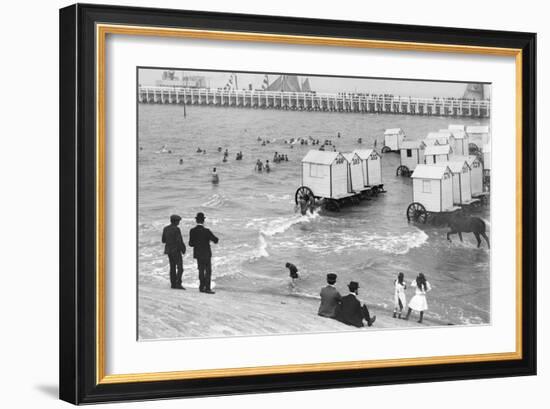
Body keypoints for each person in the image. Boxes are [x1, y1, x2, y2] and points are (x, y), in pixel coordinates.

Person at [188, 212, 219, 294]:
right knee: (208, 271)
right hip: (206, 253)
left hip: (198, 253)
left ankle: (202, 287)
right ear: (203, 220)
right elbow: (215, 240)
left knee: (201, 270)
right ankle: (208, 288)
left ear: (196, 220)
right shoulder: (207, 231)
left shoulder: (192, 231)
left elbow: (190, 244)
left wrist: (197, 243)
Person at [161, 215, 186, 290]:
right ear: (175, 221)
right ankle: (178, 283)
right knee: (180, 268)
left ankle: (173, 284)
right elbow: (179, 240)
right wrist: (183, 249)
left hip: (169, 250)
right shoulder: (176, 229)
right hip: (176, 250)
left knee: (172, 267)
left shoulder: (165, 228)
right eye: (178, 221)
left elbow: (163, 240)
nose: (179, 222)